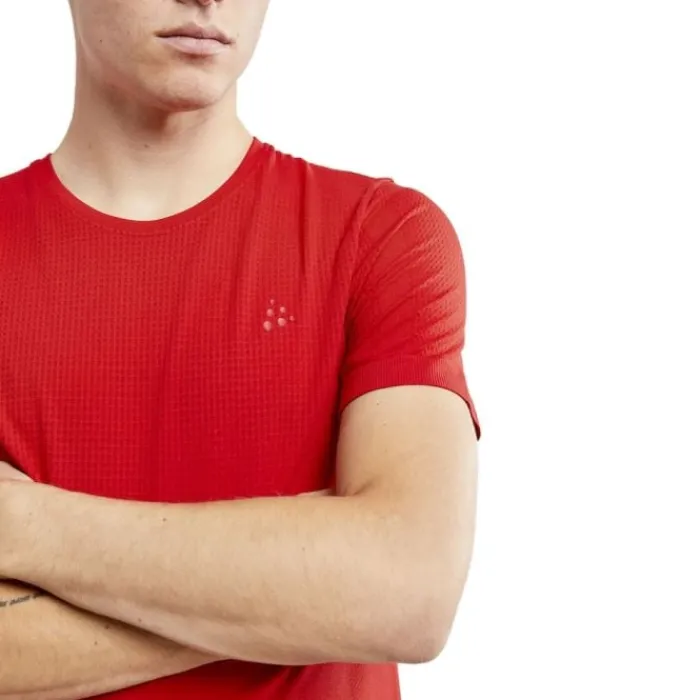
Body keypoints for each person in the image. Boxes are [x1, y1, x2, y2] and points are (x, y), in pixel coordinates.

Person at [0, 1, 481, 698]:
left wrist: (27, 525)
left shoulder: (381, 237)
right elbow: (376, 588)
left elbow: (409, 591)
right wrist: (308, 589)